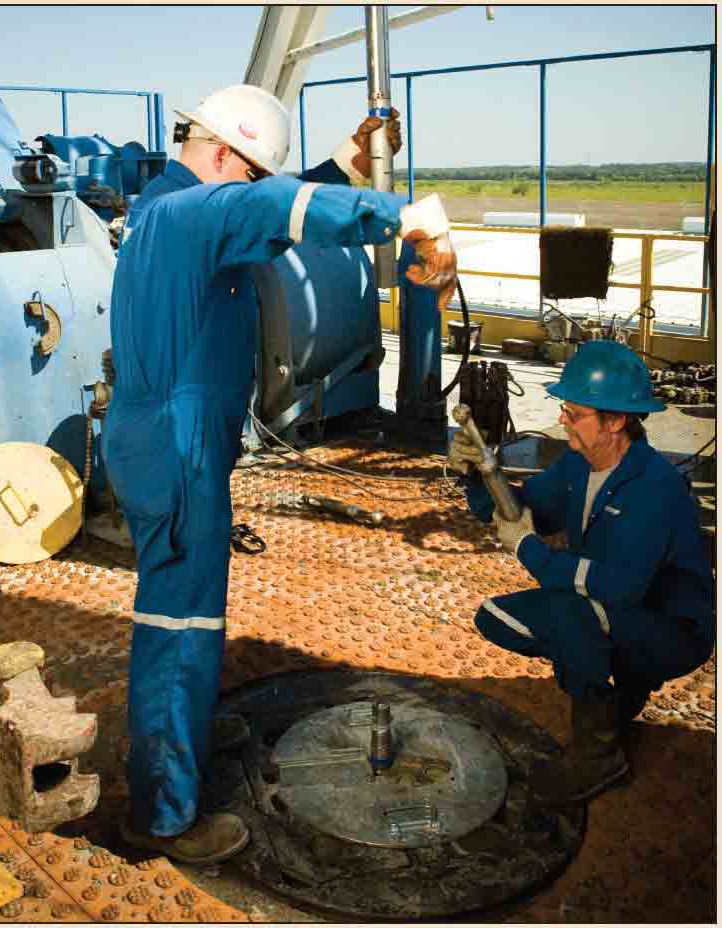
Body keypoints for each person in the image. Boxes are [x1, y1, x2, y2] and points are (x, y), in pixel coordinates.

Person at [101, 82, 458, 866]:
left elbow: (263, 208)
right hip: (177, 445)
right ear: (224, 155)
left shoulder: (175, 204)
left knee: (187, 611)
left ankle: (184, 732)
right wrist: (408, 216)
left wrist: (349, 163)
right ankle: (163, 814)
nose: (255, 190)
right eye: (253, 172)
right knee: (178, 627)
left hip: (178, 437)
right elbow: (263, 211)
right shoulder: (189, 212)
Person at [449, 340, 714, 807]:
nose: (563, 420)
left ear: (615, 421)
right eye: (565, 410)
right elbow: (523, 509)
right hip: (617, 609)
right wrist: (476, 476)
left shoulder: (655, 488)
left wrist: (529, 550)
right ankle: (621, 689)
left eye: (575, 413)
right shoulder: (578, 463)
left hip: (673, 631)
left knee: (571, 617)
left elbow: (617, 586)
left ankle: (599, 755)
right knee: (496, 617)